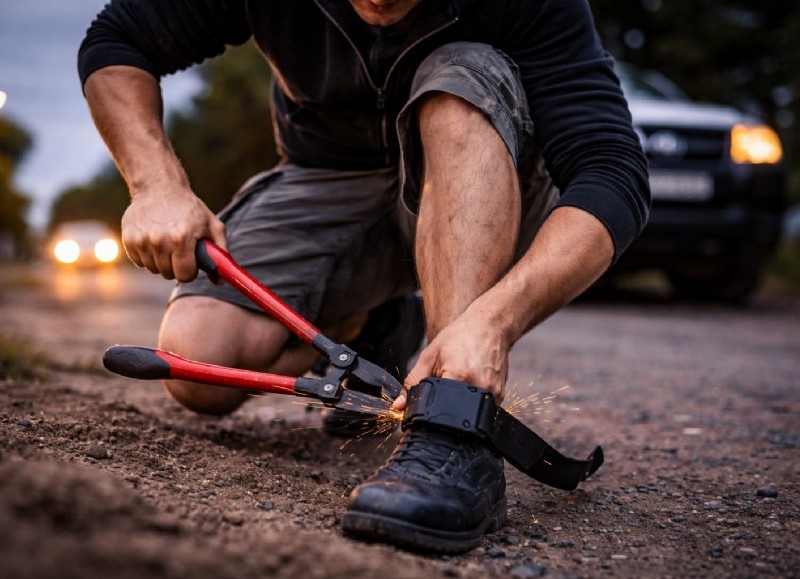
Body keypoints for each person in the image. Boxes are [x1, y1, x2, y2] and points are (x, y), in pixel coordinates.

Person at [78, 0, 650, 553]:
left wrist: (492, 324)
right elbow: (117, 42)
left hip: (478, 168)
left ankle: (454, 426)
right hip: (330, 177)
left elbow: (612, 171)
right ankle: (371, 324)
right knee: (199, 367)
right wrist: (156, 186)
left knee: (458, 76)